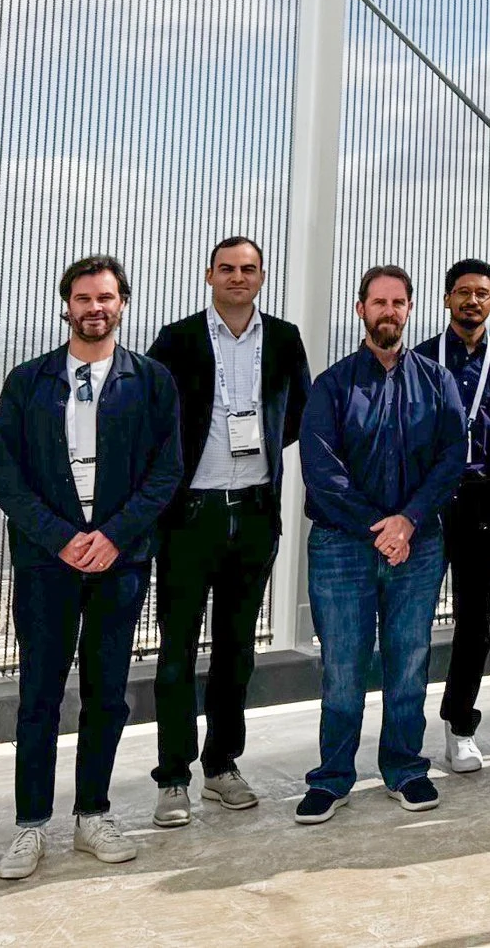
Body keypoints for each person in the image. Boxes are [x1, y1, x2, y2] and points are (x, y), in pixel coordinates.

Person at [0, 254, 183, 881]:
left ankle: (92, 813)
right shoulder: (27, 381)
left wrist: (113, 536)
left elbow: (166, 472)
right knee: (40, 691)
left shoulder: (152, 381)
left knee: (108, 692)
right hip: (48, 562)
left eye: (106, 297)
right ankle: (30, 824)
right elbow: (6, 478)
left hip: (120, 561)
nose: (94, 308)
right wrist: (64, 539)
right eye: (82, 298)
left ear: (123, 303)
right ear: (65, 305)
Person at [145, 235, 311, 825]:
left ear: (261, 277)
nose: (238, 277)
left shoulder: (285, 339)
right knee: (177, 651)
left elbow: (296, 414)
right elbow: (153, 415)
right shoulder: (178, 339)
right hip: (192, 514)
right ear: (209, 276)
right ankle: (172, 778)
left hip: (256, 512)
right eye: (227, 269)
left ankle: (221, 767)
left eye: (248, 269)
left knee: (237, 650)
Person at [296, 265, 468, 824]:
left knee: (409, 661)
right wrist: (382, 527)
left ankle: (404, 768)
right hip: (343, 546)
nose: (388, 311)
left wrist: (409, 522)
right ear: (360, 310)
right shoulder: (333, 384)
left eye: (398, 302)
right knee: (344, 667)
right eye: (378, 302)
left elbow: (451, 458)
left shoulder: (437, 381)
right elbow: (322, 470)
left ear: (411, 310)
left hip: (417, 545)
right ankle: (333, 778)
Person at [418, 258, 490, 776]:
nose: (472, 301)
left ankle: (459, 727)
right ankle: (401, 733)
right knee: (409, 621)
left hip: (482, 499)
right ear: (446, 299)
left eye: (482, 293)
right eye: (462, 292)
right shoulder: (419, 360)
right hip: (424, 502)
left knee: (475, 622)